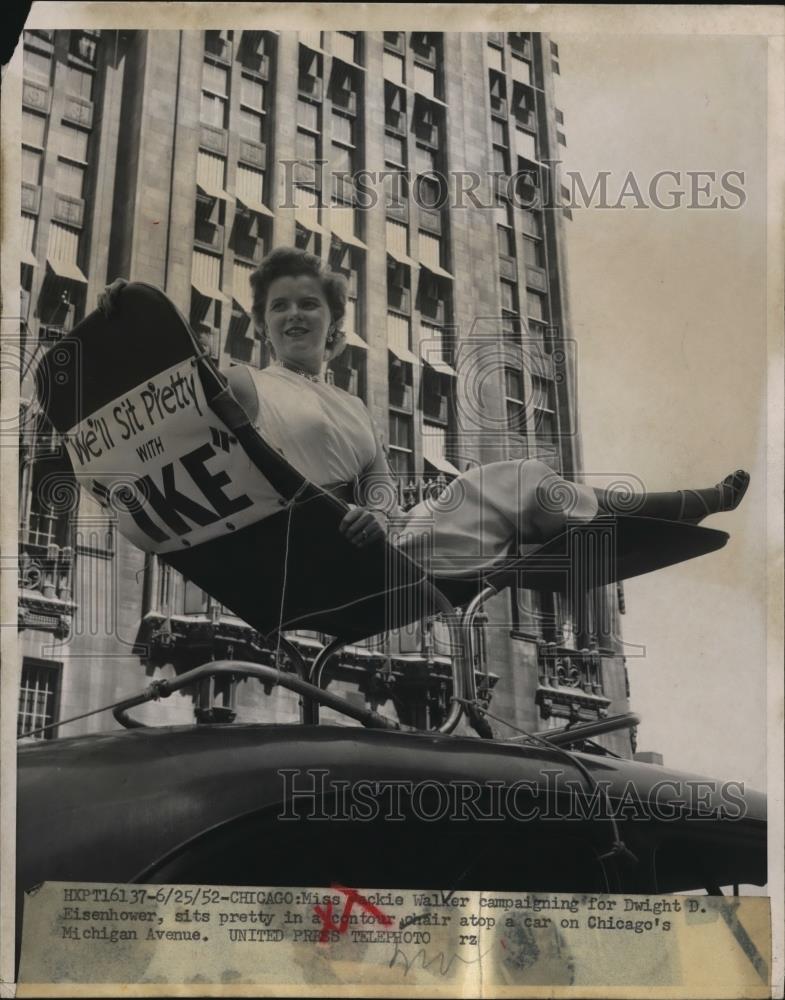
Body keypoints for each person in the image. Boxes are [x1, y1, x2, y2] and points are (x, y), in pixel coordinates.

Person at [98, 247, 750, 576]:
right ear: (263, 325)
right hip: (319, 557)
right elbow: (187, 398)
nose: (293, 314)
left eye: (308, 305)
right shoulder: (245, 384)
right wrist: (124, 316)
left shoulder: (351, 410)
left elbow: (379, 497)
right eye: (278, 307)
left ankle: (596, 532)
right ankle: (653, 514)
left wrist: (371, 517)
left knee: (511, 486)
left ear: (332, 329)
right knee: (513, 485)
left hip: (385, 544)